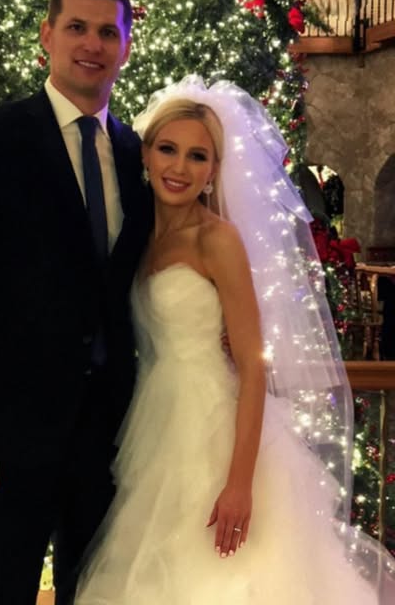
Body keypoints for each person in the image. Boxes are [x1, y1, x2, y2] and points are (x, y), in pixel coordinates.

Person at [75, 76, 395, 604]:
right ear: (146, 154)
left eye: (197, 156)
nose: (180, 167)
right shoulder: (136, 236)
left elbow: (251, 363)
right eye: (168, 149)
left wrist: (240, 483)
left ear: (213, 171)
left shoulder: (218, 239)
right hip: (153, 424)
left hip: (215, 431)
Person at [0, 0, 151, 605]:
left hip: (110, 436)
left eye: (108, 32)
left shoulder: (138, 154)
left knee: (96, 594)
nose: (92, 44)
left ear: (126, 47)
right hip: (4, 435)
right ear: (47, 35)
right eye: (76, 27)